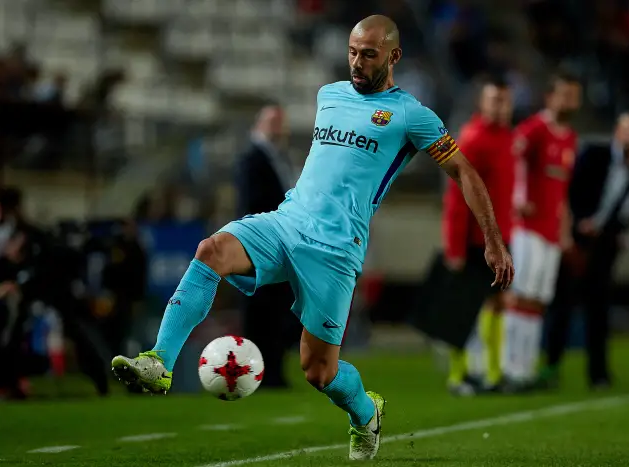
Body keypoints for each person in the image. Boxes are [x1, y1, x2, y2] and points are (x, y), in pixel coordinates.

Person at [111, 15, 514, 461]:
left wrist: (492, 240)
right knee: (211, 250)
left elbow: (464, 171)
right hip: (286, 223)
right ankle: (158, 363)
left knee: (318, 371)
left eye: (369, 55)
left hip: (336, 252)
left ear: (394, 56)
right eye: (352, 52)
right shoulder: (329, 95)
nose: (357, 63)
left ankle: (365, 412)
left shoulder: (410, 115)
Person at [540, 114, 629, 389]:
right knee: (563, 304)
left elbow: (624, 212)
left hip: (603, 246)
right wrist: (571, 229)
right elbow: (568, 190)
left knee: (598, 309)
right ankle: (551, 367)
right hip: (576, 239)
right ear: (617, 131)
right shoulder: (595, 154)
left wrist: (614, 233)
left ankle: (599, 373)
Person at [502, 71, 581, 391]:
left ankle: (526, 367)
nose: (570, 102)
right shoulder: (535, 129)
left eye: (574, 96)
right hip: (528, 228)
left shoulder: (570, 137)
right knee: (521, 295)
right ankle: (509, 367)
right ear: (550, 97)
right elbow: (512, 156)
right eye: (564, 94)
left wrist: (565, 228)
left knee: (538, 300)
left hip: (551, 230)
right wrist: (518, 196)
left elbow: (562, 190)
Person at [442, 75, 515, 395]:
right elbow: (456, 198)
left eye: (505, 101)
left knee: (497, 303)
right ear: (481, 104)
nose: (500, 107)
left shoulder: (507, 138)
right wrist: (455, 247)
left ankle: (493, 374)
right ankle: (458, 376)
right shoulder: (473, 139)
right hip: (475, 239)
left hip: (501, 237)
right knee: (462, 307)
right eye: (494, 101)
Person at [233, 104, 298, 388]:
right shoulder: (253, 158)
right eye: (272, 122)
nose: (277, 128)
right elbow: (253, 203)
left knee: (276, 310)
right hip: (259, 245)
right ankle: (258, 373)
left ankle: (272, 371)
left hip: (276, 245)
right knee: (261, 311)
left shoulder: (277, 158)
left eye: (279, 122)